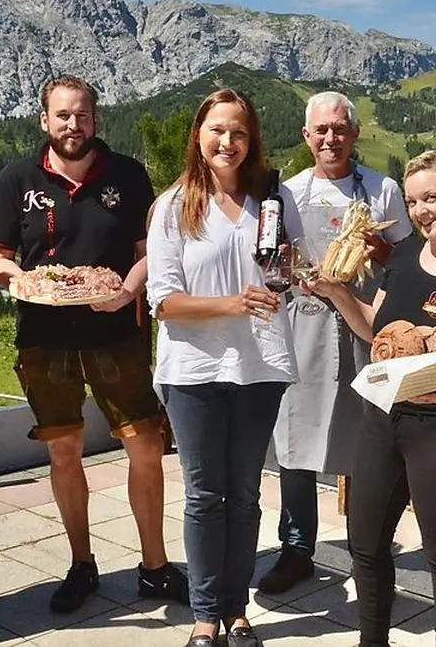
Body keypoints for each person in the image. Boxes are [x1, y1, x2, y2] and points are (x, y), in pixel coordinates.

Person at [0, 75, 186, 614]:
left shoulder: (127, 174)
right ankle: (81, 564)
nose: (74, 125)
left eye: (83, 116)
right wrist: (17, 281)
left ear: (97, 119)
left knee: (144, 444)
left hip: (118, 332)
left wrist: (127, 291)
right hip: (44, 337)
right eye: (63, 116)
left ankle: (155, 566)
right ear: (44, 120)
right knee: (63, 448)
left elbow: (150, 251)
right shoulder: (16, 178)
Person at [310, 149, 436, 647]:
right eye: (412, 201)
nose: (422, 210)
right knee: (366, 545)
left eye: (432, 197)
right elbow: (374, 331)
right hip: (383, 419)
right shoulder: (402, 257)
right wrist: (336, 292)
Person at [146, 88, 303, 647]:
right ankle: (205, 617)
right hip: (192, 371)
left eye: (238, 132)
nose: (228, 142)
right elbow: (162, 301)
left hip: (260, 366)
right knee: (202, 495)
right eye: (217, 130)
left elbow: (291, 275)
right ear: (198, 135)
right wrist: (234, 302)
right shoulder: (174, 205)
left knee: (243, 494)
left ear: (251, 139)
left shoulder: (275, 199)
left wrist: (290, 277)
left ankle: (238, 613)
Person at [260, 91, 413, 595]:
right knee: (297, 438)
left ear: (355, 134)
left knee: (367, 438)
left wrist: (382, 248)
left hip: (366, 326)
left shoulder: (382, 190)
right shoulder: (286, 194)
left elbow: (407, 262)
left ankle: (366, 547)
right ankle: (297, 547)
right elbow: (271, 265)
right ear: (307, 136)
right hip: (304, 325)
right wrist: (292, 274)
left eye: (340, 129)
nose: (331, 139)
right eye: (321, 130)